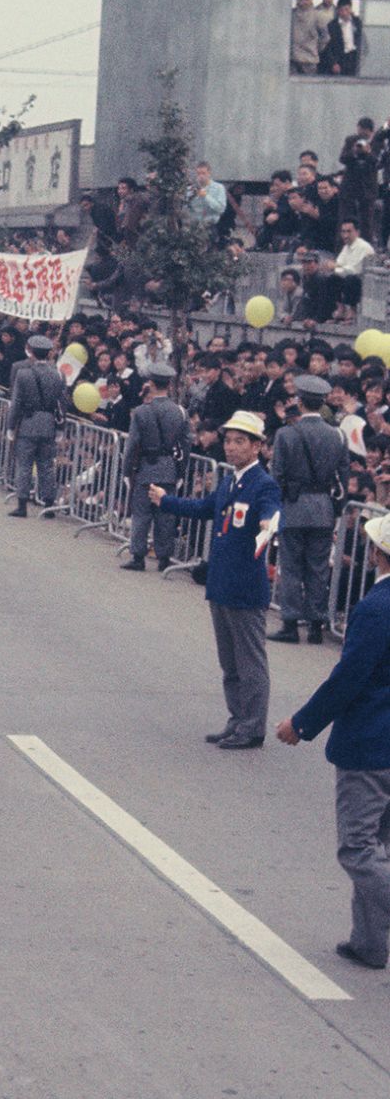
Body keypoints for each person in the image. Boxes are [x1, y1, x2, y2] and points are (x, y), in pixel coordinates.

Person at [276, 513, 390, 971]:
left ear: (377, 553)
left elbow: (349, 677)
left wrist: (303, 723)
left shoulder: (377, 607)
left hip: (371, 740)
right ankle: (369, 941)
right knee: (379, 845)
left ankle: (372, 937)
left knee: (358, 847)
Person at [150, 411, 283, 749]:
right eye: (228, 440)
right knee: (230, 661)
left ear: (257, 447)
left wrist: (268, 525)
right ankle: (237, 718)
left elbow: (271, 511)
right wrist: (166, 501)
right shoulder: (230, 480)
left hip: (245, 587)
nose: (231, 447)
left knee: (250, 662)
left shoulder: (263, 484)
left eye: (240, 442)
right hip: (222, 583)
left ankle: (253, 727)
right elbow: (206, 507)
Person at [271, 374, 352, 644]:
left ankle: (291, 623)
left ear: (299, 401)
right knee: (318, 568)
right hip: (324, 508)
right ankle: (316, 624)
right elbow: (342, 478)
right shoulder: (338, 436)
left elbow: (277, 475)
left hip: (294, 505)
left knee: (291, 567)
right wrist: (335, 508)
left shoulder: (286, 434)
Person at [123, 363, 191, 571]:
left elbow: (132, 444)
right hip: (169, 467)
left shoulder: (142, 412)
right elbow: (185, 444)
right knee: (165, 514)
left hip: (145, 467)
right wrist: (181, 470)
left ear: (151, 384)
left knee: (141, 513)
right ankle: (164, 557)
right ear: (169, 384)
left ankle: (138, 556)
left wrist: (126, 471)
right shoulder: (180, 411)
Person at [7, 335, 65, 518]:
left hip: (28, 423)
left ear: (31, 351)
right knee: (46, 465)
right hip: (48, 423)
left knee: (24, 465)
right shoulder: (58, 374)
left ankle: (22, 504)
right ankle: (49, 504)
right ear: (48, 353)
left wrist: (10, 425)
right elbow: (62, 403)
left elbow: (16, 403)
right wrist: (61, 428)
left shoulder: (23, 374)